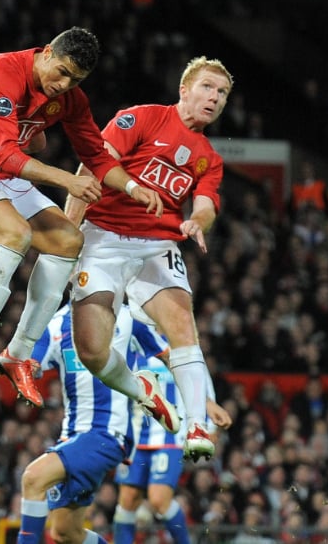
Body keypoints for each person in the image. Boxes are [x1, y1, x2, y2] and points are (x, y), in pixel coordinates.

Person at [0, 27, 162, 408]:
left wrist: (134, 188)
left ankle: (18, 354)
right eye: (62, 72)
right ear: (47, 52)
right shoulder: (0, 73)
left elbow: (98, 155)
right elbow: (4, 155)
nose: (63, 85)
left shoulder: (70, 98)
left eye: (76, 80)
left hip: (2, 180)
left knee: (69, 240)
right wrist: (67, 179)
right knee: (15, 234)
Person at [64, 56, 233, 460]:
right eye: (207, 87)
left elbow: (207, 203)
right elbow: (92, 167)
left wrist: (197, 221)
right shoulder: (141, 118)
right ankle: (144, 390)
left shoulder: (209, 156)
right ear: (184, 90)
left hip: (156, 247)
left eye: (222, 93)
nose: (214, 97)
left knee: (183, 328)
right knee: (91, 352)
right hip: (101, 240)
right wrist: (68, 240)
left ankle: (197, 425)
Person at [15, 303, 231, 544]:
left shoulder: (128, 317)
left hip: (109, 434)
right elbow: (31, 363)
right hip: (74, 436)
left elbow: (170, 356)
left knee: (33, 478)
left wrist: (206, 403)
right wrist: (23, 367)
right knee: (65, 533)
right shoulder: (55, 324)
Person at [113, 321, 229, 544]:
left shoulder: (182, 345)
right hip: (135, 435)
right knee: (127, 500)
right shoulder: (131, 342)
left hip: (170, 434)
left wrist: (209, 426)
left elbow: (200, 382)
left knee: (159, 500)